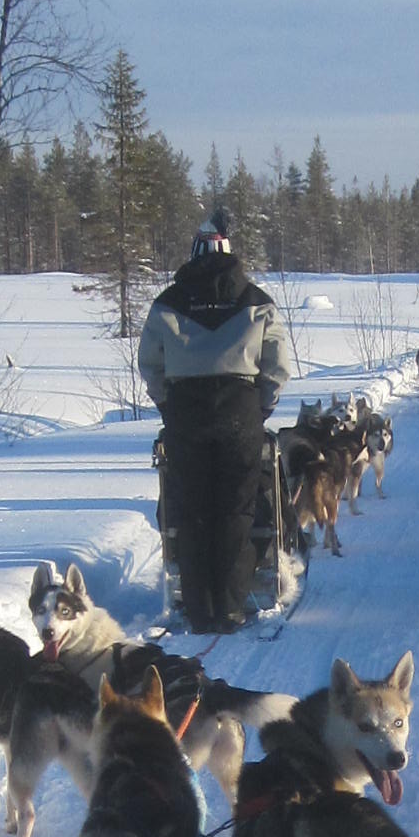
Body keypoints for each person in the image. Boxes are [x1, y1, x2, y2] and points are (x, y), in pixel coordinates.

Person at [139, 213, 290, 633]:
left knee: (191, 511)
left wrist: (167, 404)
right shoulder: (257, 300)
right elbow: (277, 365)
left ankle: (199, 610)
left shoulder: (168, 302)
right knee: (236, 510)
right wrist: (261, 407)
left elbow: (150, 363)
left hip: (185, 411)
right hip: (240, 409)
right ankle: (230, 606)